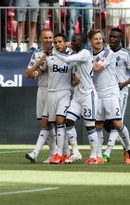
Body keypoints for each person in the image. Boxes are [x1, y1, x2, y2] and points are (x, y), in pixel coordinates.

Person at [88, 28, 130, 165]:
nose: (99, 41)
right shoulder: (89, 54)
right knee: (98, 125)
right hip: (98, 93)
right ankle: (98, 156)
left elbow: (96, 67)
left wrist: (83, 58)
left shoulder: (108, 52)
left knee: (117, 123)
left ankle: (128, 148)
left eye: (100, 38)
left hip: (111, 92)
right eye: (96, 39)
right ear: (90, 41)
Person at [52, 33, 99, 164]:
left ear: (82, 43)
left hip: (88, 95)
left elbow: (67, 60)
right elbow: (72, 70)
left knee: (90, 126)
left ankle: (94, 156)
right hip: (78, 95)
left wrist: (54, 52)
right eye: (72, 40)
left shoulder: (85, 53)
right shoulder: (76, 56)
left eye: (76, 41)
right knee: (68, 121)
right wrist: (74, 79)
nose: (73, 42)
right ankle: (76, 152)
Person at [34, 33, 74, 164]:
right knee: (53, 123)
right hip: (51, 94)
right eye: (55, 42)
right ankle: (66, 153)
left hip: (65, 93)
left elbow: (76, 73)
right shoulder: (50, 57)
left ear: (65, 43)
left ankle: (59, 153)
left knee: (60, 120)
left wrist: (76, 79)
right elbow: (41, 71)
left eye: (60, 42)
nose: (57, 44)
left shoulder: (71, 58)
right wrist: (35, 71)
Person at [102, 27, 130, 162]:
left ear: (121, 39)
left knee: (116, 122)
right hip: (105, 91)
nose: (111, 39)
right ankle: (126, 145)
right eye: (110, 36)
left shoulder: (125, 54)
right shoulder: (104, 53)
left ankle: (107, 153)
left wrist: (124, 83)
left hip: (120, 92)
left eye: (115, 37)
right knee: (105, 124)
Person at [25, 28, 57, 164]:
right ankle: (54, 153)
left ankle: (55, 153)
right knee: (45, 123)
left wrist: (38, 70)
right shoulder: (37, 54)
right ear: (41, 39)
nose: (49, 40)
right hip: (42, 90)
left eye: (50, 37)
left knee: (51, 122)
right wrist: (39, 64)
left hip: (55, 90)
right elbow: (29, 74)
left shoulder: (59, 52)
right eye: (46, 38)